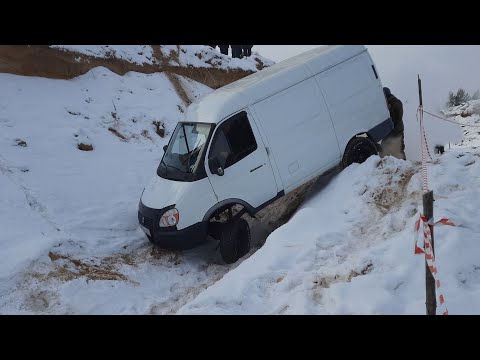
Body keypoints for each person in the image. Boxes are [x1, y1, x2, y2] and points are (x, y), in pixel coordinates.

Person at [381, 87, 406, 160]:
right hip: (393, 129)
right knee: (385, 145)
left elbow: (398, 117)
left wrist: (390, 110)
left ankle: (405, 164)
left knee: (399, 148)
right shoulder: (390, 102)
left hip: (397, 129)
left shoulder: (396, 102)